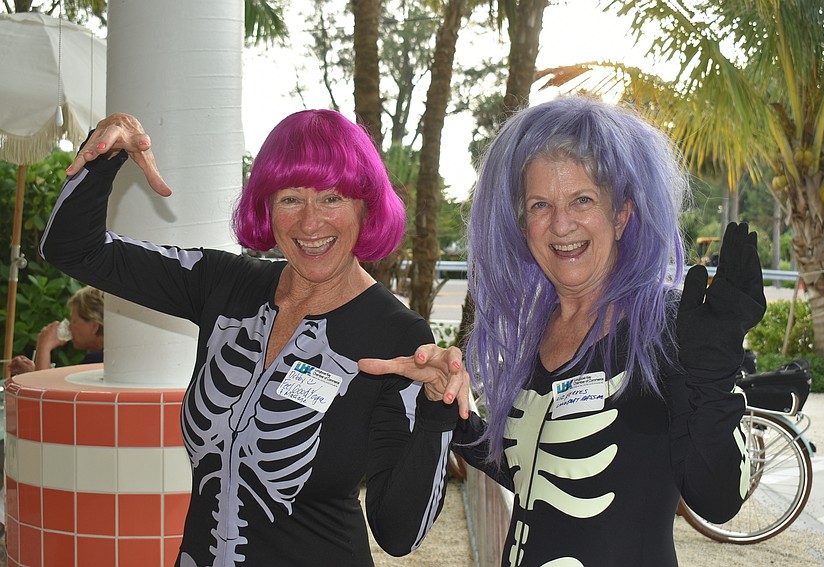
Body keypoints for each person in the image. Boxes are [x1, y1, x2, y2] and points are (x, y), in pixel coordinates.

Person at [40, 110, 465, 566]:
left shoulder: (396, 334)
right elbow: (72, 247)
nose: (309, 223)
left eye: (332, 198)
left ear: (366, 206)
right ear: (267, 206)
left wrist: (437, 412)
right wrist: (104, 156)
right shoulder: (223, 284)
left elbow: (399, 533)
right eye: (290, 199)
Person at [359, 95, 766, 566]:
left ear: (622, 215)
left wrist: (714, 374)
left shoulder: (667, 325)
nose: (560, 224)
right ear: (522, 223)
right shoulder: (539, 326)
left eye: (582, 200)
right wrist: (453, 407)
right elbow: (531, 475)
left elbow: (718, 498)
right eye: (540, 205)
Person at [7, 285, 105, 376]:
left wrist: (44, 346)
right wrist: (33, 372)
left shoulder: (97, 361)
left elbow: (42, 388)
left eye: (74, 321)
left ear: (94, 326)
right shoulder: (105, 357)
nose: (70, 327)